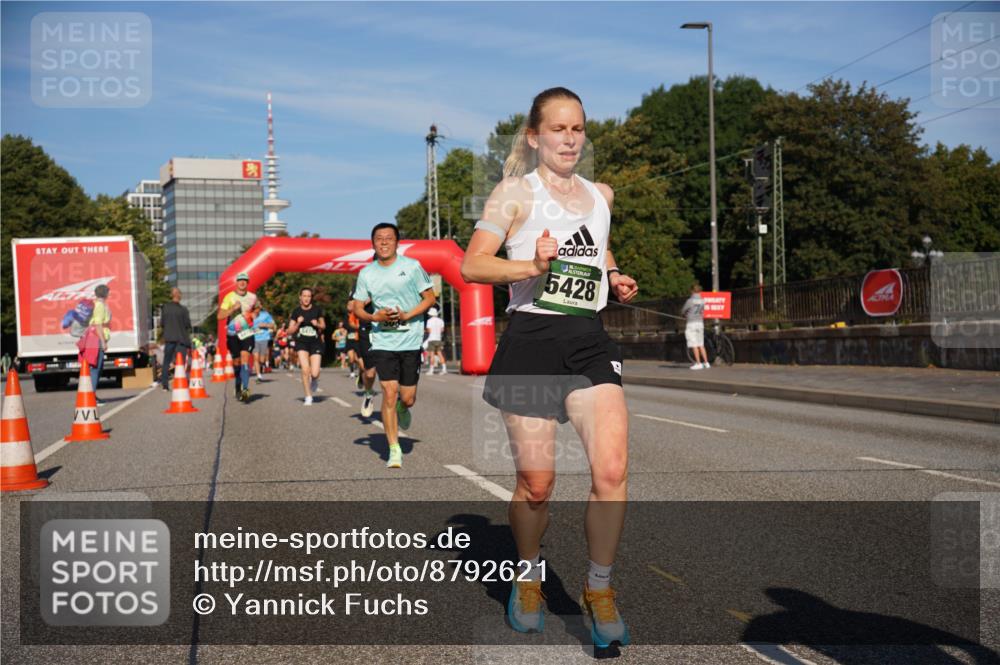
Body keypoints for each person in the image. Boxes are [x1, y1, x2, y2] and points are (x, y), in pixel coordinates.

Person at [460, 88, 639, 648]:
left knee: (611, 472)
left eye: (578, 128)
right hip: (532, 338)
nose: (569, 138)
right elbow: (472, 264)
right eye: (558, 129)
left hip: (587, 339)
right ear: (534, 136)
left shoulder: (601, 193)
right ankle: (530, 573)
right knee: (537, 486)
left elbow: (597, 244)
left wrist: (613, 276)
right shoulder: (513, 193)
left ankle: (599, 587)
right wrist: (530, 264)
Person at [350, 223, 436, 469]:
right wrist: (375, 318)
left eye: (389, 238)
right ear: (373, 243)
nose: (384, 242)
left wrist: (408, 315)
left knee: (407, 398)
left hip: (410, 339)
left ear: (397, 243)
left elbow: (430, 297)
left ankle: (403, 406)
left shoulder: (411, 267)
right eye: (379, 239)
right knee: (388, 391)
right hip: (383, 339)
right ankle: (394, 448)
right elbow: (357, 307)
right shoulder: (367, 273)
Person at [219, 272, 257, 402]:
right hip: (233, 334)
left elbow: (257, 307)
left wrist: (254, 313)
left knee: (245, 359)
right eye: (240, 280)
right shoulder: (229, 297)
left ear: (247, 283)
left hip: (247, 333)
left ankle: (245, 389)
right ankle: (238, 383)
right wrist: (232, 309)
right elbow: (220, 316)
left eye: (245, 281)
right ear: (236, 282)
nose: (242, 283)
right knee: (237, 362)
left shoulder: (252, 297)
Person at [287, 287, 326, 405]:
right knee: (305, 370)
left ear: (311, 298)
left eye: (309, 296)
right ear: (300, 297)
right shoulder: (296, 312)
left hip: (315, 342)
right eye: (304, 296)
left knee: (314, 373)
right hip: (301, 343)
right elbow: (289, 331)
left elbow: (323, 326)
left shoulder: (317, 310)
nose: (306, 298)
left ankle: (314, 380)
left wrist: (317, 324)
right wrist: (298, 322)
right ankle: (308, 396)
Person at [159, 287, 193, 391]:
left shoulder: (165, 308)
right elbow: (188, 325)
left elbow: (162, 323)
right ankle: (180, 384)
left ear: (171, 295)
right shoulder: (183, 310)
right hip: (181, 340)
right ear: (180, 296)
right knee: (180, 363)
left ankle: (165, 385)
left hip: (169, 339)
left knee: (166, 362)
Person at [351, 297, 379, 417]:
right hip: (367, 330)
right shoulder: (363, 284)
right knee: (370, 373)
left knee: (391, 370)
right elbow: (351, 306)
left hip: (389, 329)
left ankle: (400, 401)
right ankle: (368, 393)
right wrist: (367, 300)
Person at [88, 283, 112, 404]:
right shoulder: (100, 306)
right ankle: (91, 397)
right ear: (105, 293)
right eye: (108, 291)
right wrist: (103, 342)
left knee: (96, 367)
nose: (110, 293)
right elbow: (98, 324)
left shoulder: (98, 304)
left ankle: (92, 395)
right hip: (96, 340)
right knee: (95, 368)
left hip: (95, 339)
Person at [682, 283, 709, 370]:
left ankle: (698, 363)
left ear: (692, 291)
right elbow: (702, 312)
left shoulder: (690, 301)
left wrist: (685, 315)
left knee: (694, 344)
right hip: (700, 323)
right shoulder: (702, 300)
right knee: (701, 344)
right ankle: (706, 362)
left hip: (691, 323)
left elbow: (683, 311)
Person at [253, 303, 276, 382]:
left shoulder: (265, 315)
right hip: (253, 339)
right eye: (255, 308)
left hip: (264, 338)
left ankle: (261, 365)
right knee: (256, 357)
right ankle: (258, 375)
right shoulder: (250, 315)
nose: (256, 310)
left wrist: (265, 325)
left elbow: (273, 325)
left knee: (262, 359)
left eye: (258, 308)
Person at [424, 307, 447, 374]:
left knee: (432, 355)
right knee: (440, 354)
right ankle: (444, 369)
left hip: (432, 339)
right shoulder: (441, 320)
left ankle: (431, 370)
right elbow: (442, 330)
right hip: (438, 339)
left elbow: (429, 330)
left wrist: (426, 330)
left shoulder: (429, 321)